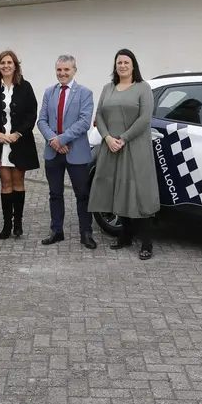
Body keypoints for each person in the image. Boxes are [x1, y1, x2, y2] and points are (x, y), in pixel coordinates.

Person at [88, 49, 160, 260]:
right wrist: (108, 138)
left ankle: (147, 243)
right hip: (111, 147)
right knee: (118, 190)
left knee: (139, 192)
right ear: (115, 66)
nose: (122, 66)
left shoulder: (143, 88)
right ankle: (125, 237)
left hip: (134, 148)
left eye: (126, 62)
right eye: (119, 62)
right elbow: (99, 114)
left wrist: (123, 138)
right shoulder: (107, 88)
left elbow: (145, 118)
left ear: (133, 65)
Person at [37, 54, 97, 250]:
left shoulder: (85, 93)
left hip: (76, 152)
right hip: (53, 153)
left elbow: (84, 122)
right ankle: (56, 230)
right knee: (55, 193)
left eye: (66, 70)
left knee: (82, 194)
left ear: (74, 71)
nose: (62, 73)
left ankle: (86, 232)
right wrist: (54, 141)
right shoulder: (49, 92)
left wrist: (61, 139)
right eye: (59, 70)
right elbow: (42, 120)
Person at [0, 50, 40, 240]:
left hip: (19, 142)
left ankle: (18, 224)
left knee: (18, 183)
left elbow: (32, 114)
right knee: (5, 183)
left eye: (9, 62)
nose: (6, 65)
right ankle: (7, 224)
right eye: (2, 63)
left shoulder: (25, 87)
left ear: (15, 65)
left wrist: (18, 133)